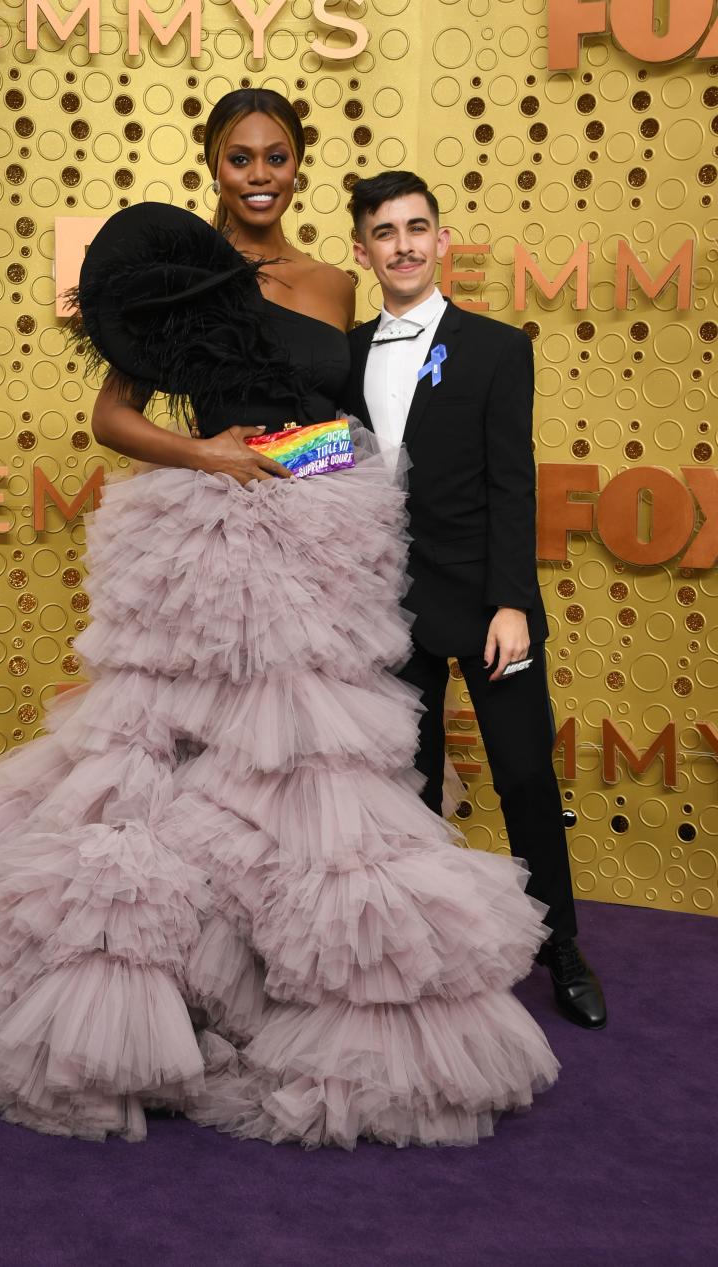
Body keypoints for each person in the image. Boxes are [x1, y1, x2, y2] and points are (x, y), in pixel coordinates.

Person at [0, 91, 559, 1147]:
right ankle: (153, 987)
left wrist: (318, 473)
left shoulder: (338, 281)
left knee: (308, 773)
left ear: (299, 163)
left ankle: (287, 976)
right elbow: (111, 416)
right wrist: (211, 455)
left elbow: (349, 427)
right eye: (240, 158)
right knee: (168, 759)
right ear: (214, 164)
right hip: (215, 541)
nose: (259, 173)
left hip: (329, 539)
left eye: (277, 156)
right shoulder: (183, 277)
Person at [342, 170, 607, 1030]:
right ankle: (427, 958)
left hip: (487, 604)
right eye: (386, 232)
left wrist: (512, 603)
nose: (405, 244)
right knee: (409, 791)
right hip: (388, 611)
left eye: (419, 227)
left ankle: (561, 946)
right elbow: (323, 461)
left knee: (525, 775)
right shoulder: (342, 355)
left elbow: (512, 485)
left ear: (444, 240)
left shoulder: (498, 347)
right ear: (363, 250)